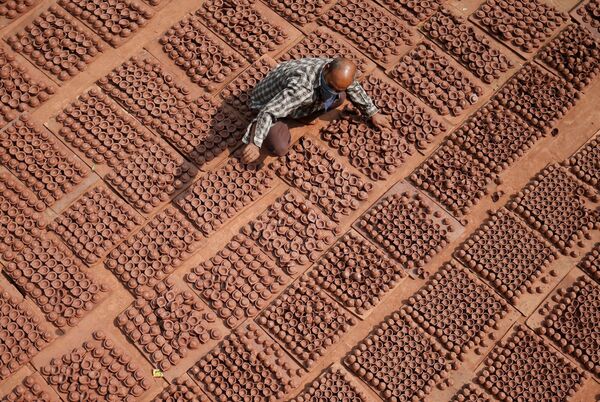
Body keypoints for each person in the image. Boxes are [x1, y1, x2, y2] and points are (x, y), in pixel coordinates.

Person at [240, 57, 391, 163]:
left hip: (291, 97)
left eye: (338, 87)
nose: (333, 90)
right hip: (267, 103)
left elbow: (353, 86)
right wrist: (255, 143)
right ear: (326, 69)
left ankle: (302, 114)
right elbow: (269, 111)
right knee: (279, 148)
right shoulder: (302, 88)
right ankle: (269, 124)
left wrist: (372, 112)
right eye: (331, 86)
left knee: (340, 97)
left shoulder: (335, 71)